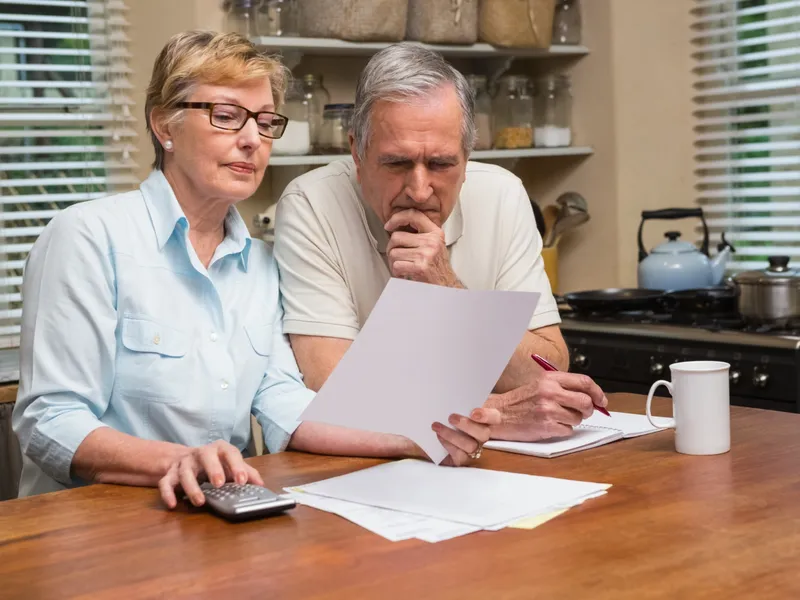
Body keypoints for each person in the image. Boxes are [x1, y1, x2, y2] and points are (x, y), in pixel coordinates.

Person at [12, 32, 495, 507]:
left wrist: (418, 438)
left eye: (265, 123)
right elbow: (50, 420)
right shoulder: (87, 237)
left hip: (221, 516)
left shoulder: (260, 265)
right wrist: (180, 461)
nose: (251, 140)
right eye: (226, 117)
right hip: (93, 529)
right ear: (164, 126)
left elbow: (284, 402)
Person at [273, 42, 608, 445]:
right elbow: (331, 391)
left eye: (441, 164)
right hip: (362, 468)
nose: (418, 190)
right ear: (357, 155)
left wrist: (446, 287)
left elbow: (547, 372)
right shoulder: (311, 203)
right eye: (397, 163)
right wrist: (496, 412)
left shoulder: (503, 195)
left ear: (467, 158)